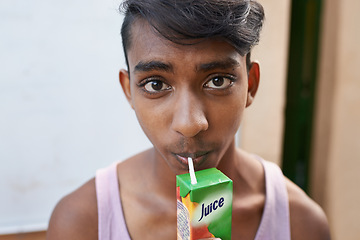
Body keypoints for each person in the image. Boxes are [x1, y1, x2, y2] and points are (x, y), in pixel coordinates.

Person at [46, 0, 331, 239]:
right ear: (129, 90)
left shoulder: (299, 224)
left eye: (218, 81)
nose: (190, 123)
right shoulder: (83, 223)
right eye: (156, 85)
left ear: (251, 85)